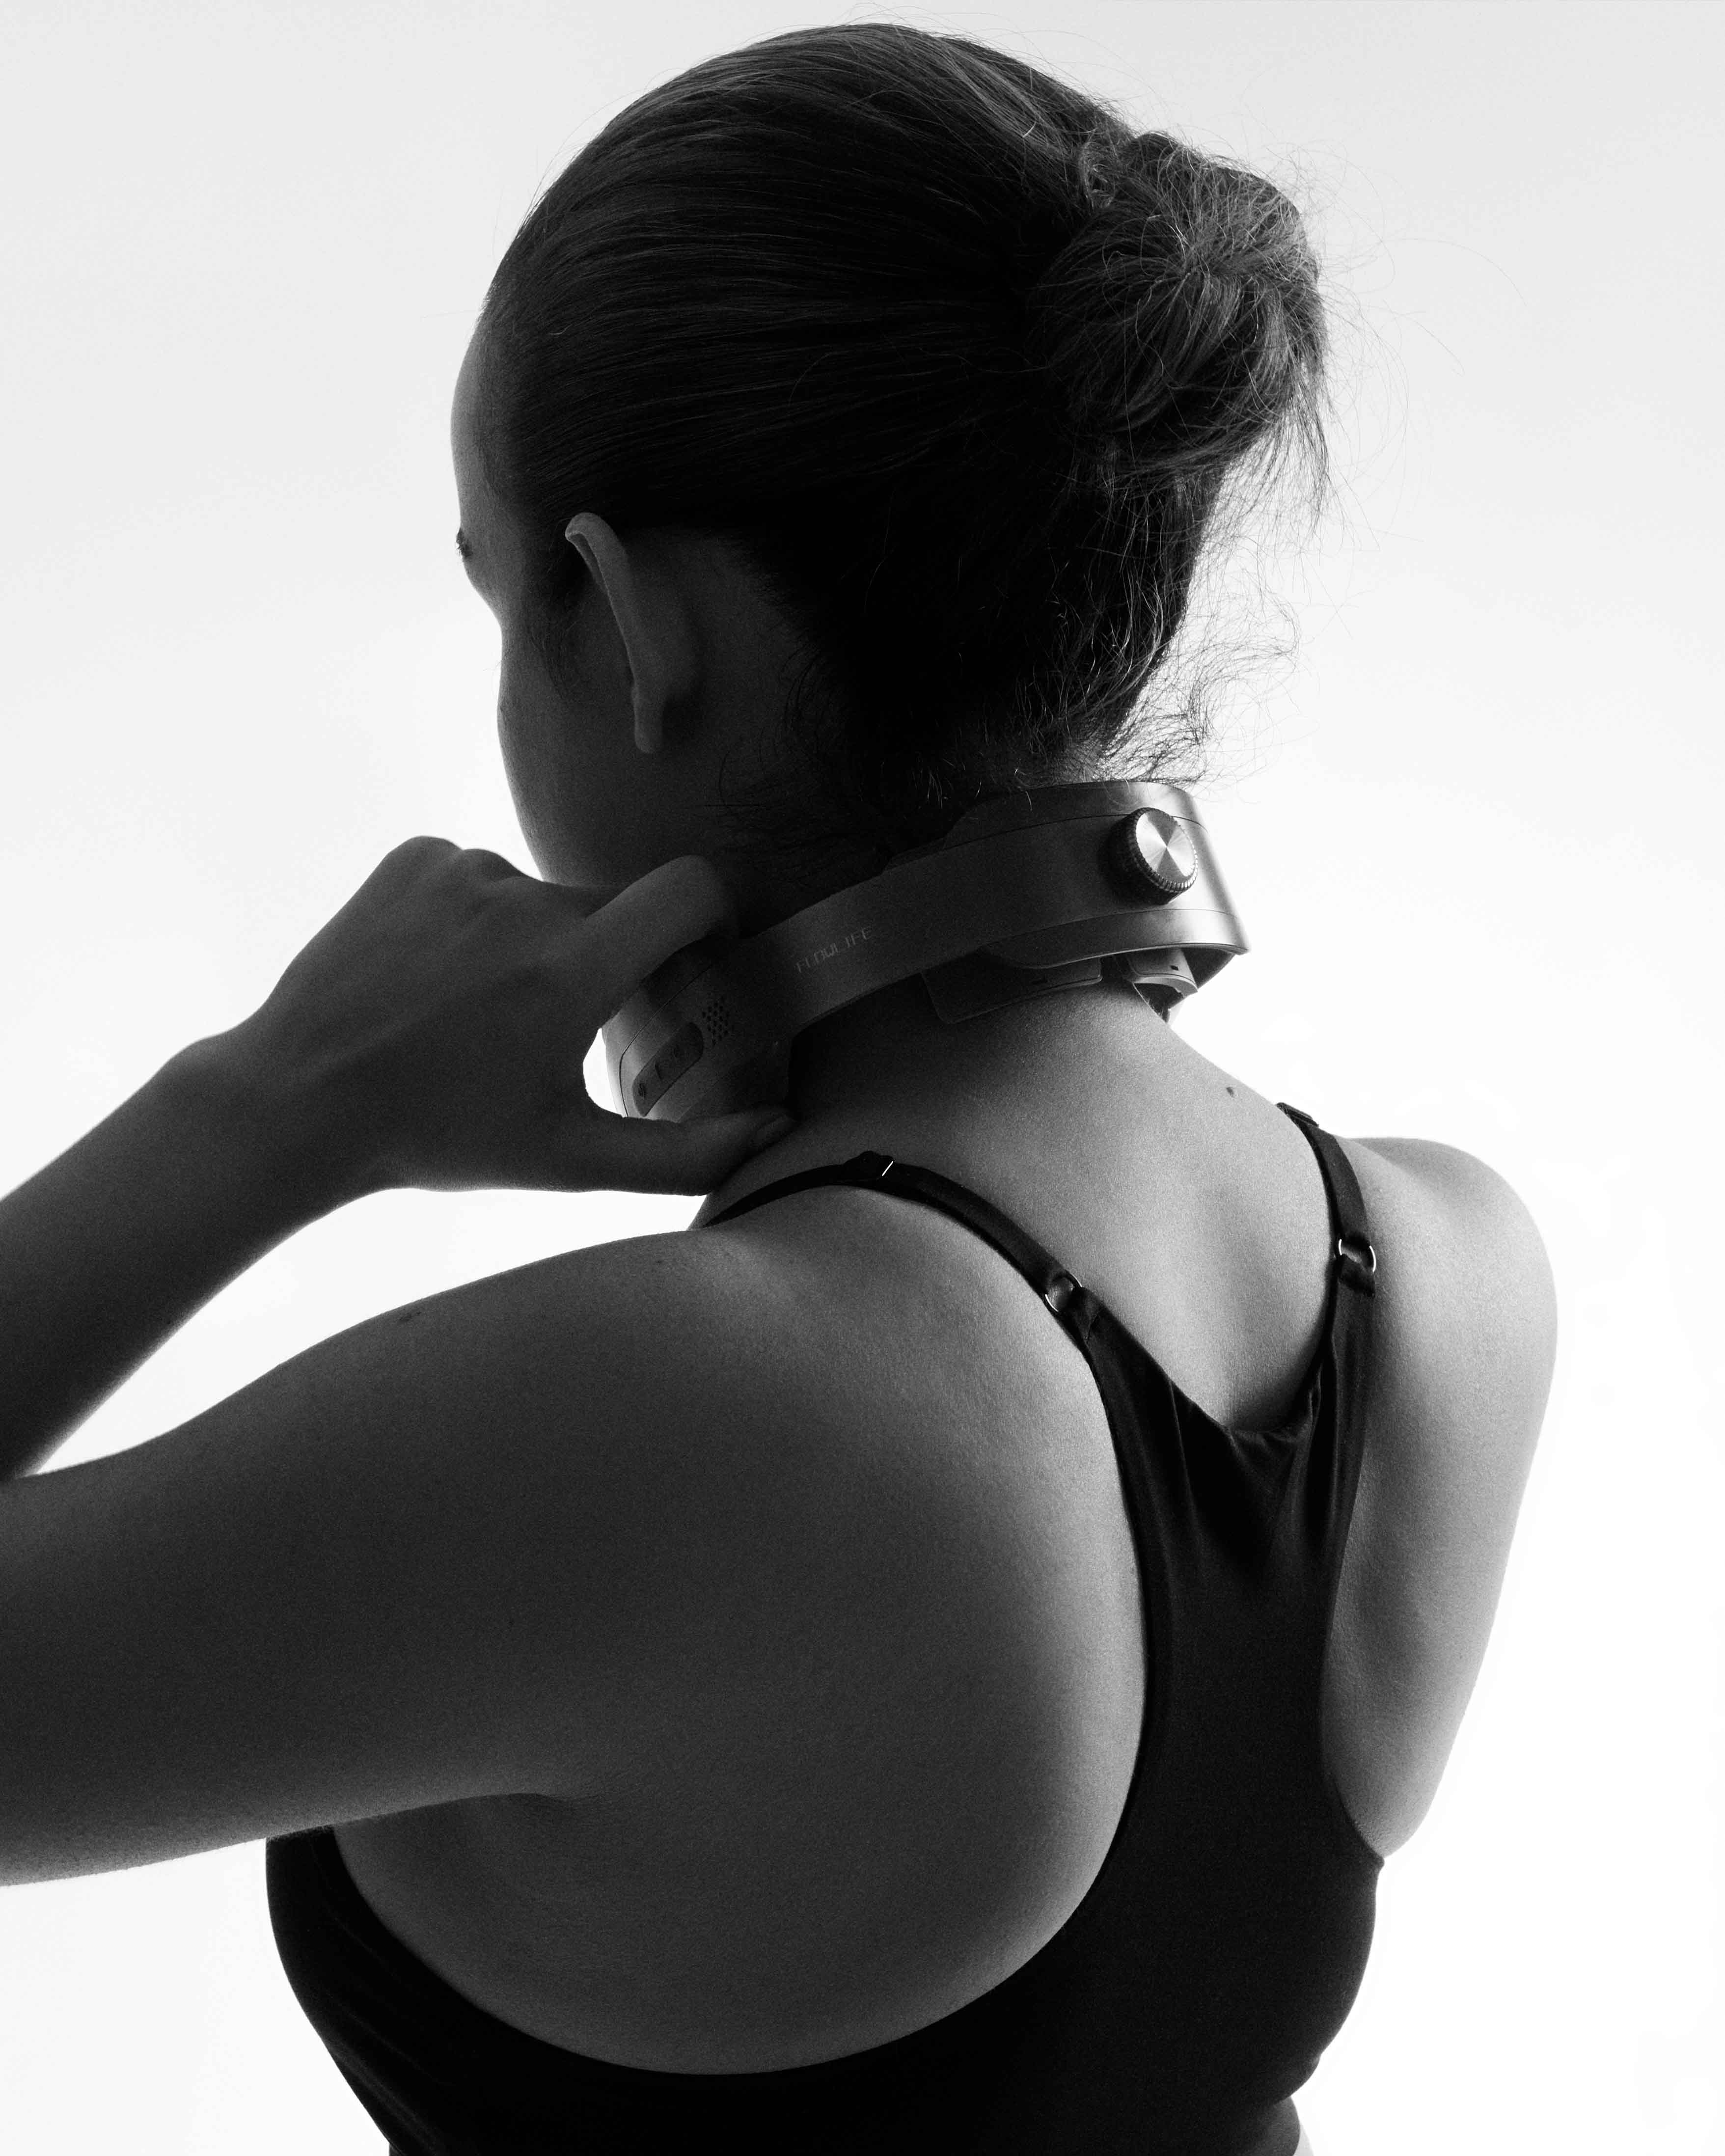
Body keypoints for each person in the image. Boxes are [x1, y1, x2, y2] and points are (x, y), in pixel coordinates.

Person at [0, 25, 1556, 2156]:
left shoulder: (706, 1411)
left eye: (500, 592)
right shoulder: (1451, 1269)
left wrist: (270, 1103)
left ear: (637, 626)